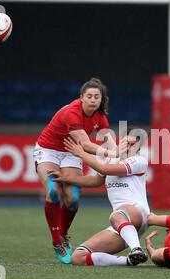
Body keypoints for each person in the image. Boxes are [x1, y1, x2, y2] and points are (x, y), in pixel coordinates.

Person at [33, 78, 118, 264]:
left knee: (72, 199)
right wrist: (110, 152)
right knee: (54, 191)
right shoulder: (72, 112)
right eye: (89, 96)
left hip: (71, 153)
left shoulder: (100, 116)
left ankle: (63, 234)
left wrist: (118, 153)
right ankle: (56, 241)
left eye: (97, 96)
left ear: (101, 99)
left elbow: (108, 139)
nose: (93, 100)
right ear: (81, 98)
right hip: (49, 150)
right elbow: (85, 144)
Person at [49, 128, 149, 266]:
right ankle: (130, 260)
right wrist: (66, 178)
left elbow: (105, 170)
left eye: (133, 144)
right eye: (127, 142)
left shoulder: (138, 161)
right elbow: (94, 181)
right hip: (122, 225)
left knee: (116, 215)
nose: (129, 146)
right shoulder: (111, 159)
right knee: (78, 257)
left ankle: (136, 249)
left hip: (137, 213)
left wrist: (81, 153)